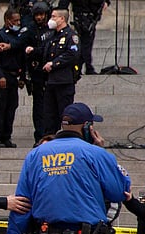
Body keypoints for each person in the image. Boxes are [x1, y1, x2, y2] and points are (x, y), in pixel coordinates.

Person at [7, 102, 131, 234]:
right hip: (85, 233)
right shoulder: (97, 154)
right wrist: (102, 153)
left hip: (45, 233)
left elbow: (21, 204)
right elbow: (119, 192)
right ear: (87, 126)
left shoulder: (35, 155)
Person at [0, 8, 26, 148]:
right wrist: (0, 76)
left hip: (13, 77)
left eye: (19, 20)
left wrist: (22, 77)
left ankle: (6, 136)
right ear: (7, 20)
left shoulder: (18, 38)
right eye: (15, 21)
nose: (18, 23)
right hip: (1, 76)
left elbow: (22, 58)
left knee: (11, 107)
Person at [42, 8, 80, 136]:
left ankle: (65, 137)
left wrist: (54, 63)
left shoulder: (71, 36)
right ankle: (49, 137)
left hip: (64, 81)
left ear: (62, 19)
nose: (51, 19)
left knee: (64, 113)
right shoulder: (52, 36)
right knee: (49, 113)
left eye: (53, 17)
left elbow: (72, 54)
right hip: (51, 81)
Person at [23, 1, 55, 146]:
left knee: (52, 108)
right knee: (38, 107)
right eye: (36, 15)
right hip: (37, 74)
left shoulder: (52, 30)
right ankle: (39, 136)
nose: (39, 18)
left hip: (52, 73)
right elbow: (22, 48)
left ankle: (52, 135)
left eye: (41, 14)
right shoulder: (30, 30)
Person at [58, 0, 110, 75]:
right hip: (81, 17)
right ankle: (83, 67)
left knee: (86, 44)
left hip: (90, 17)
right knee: (84, 44)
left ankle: (83, 67)